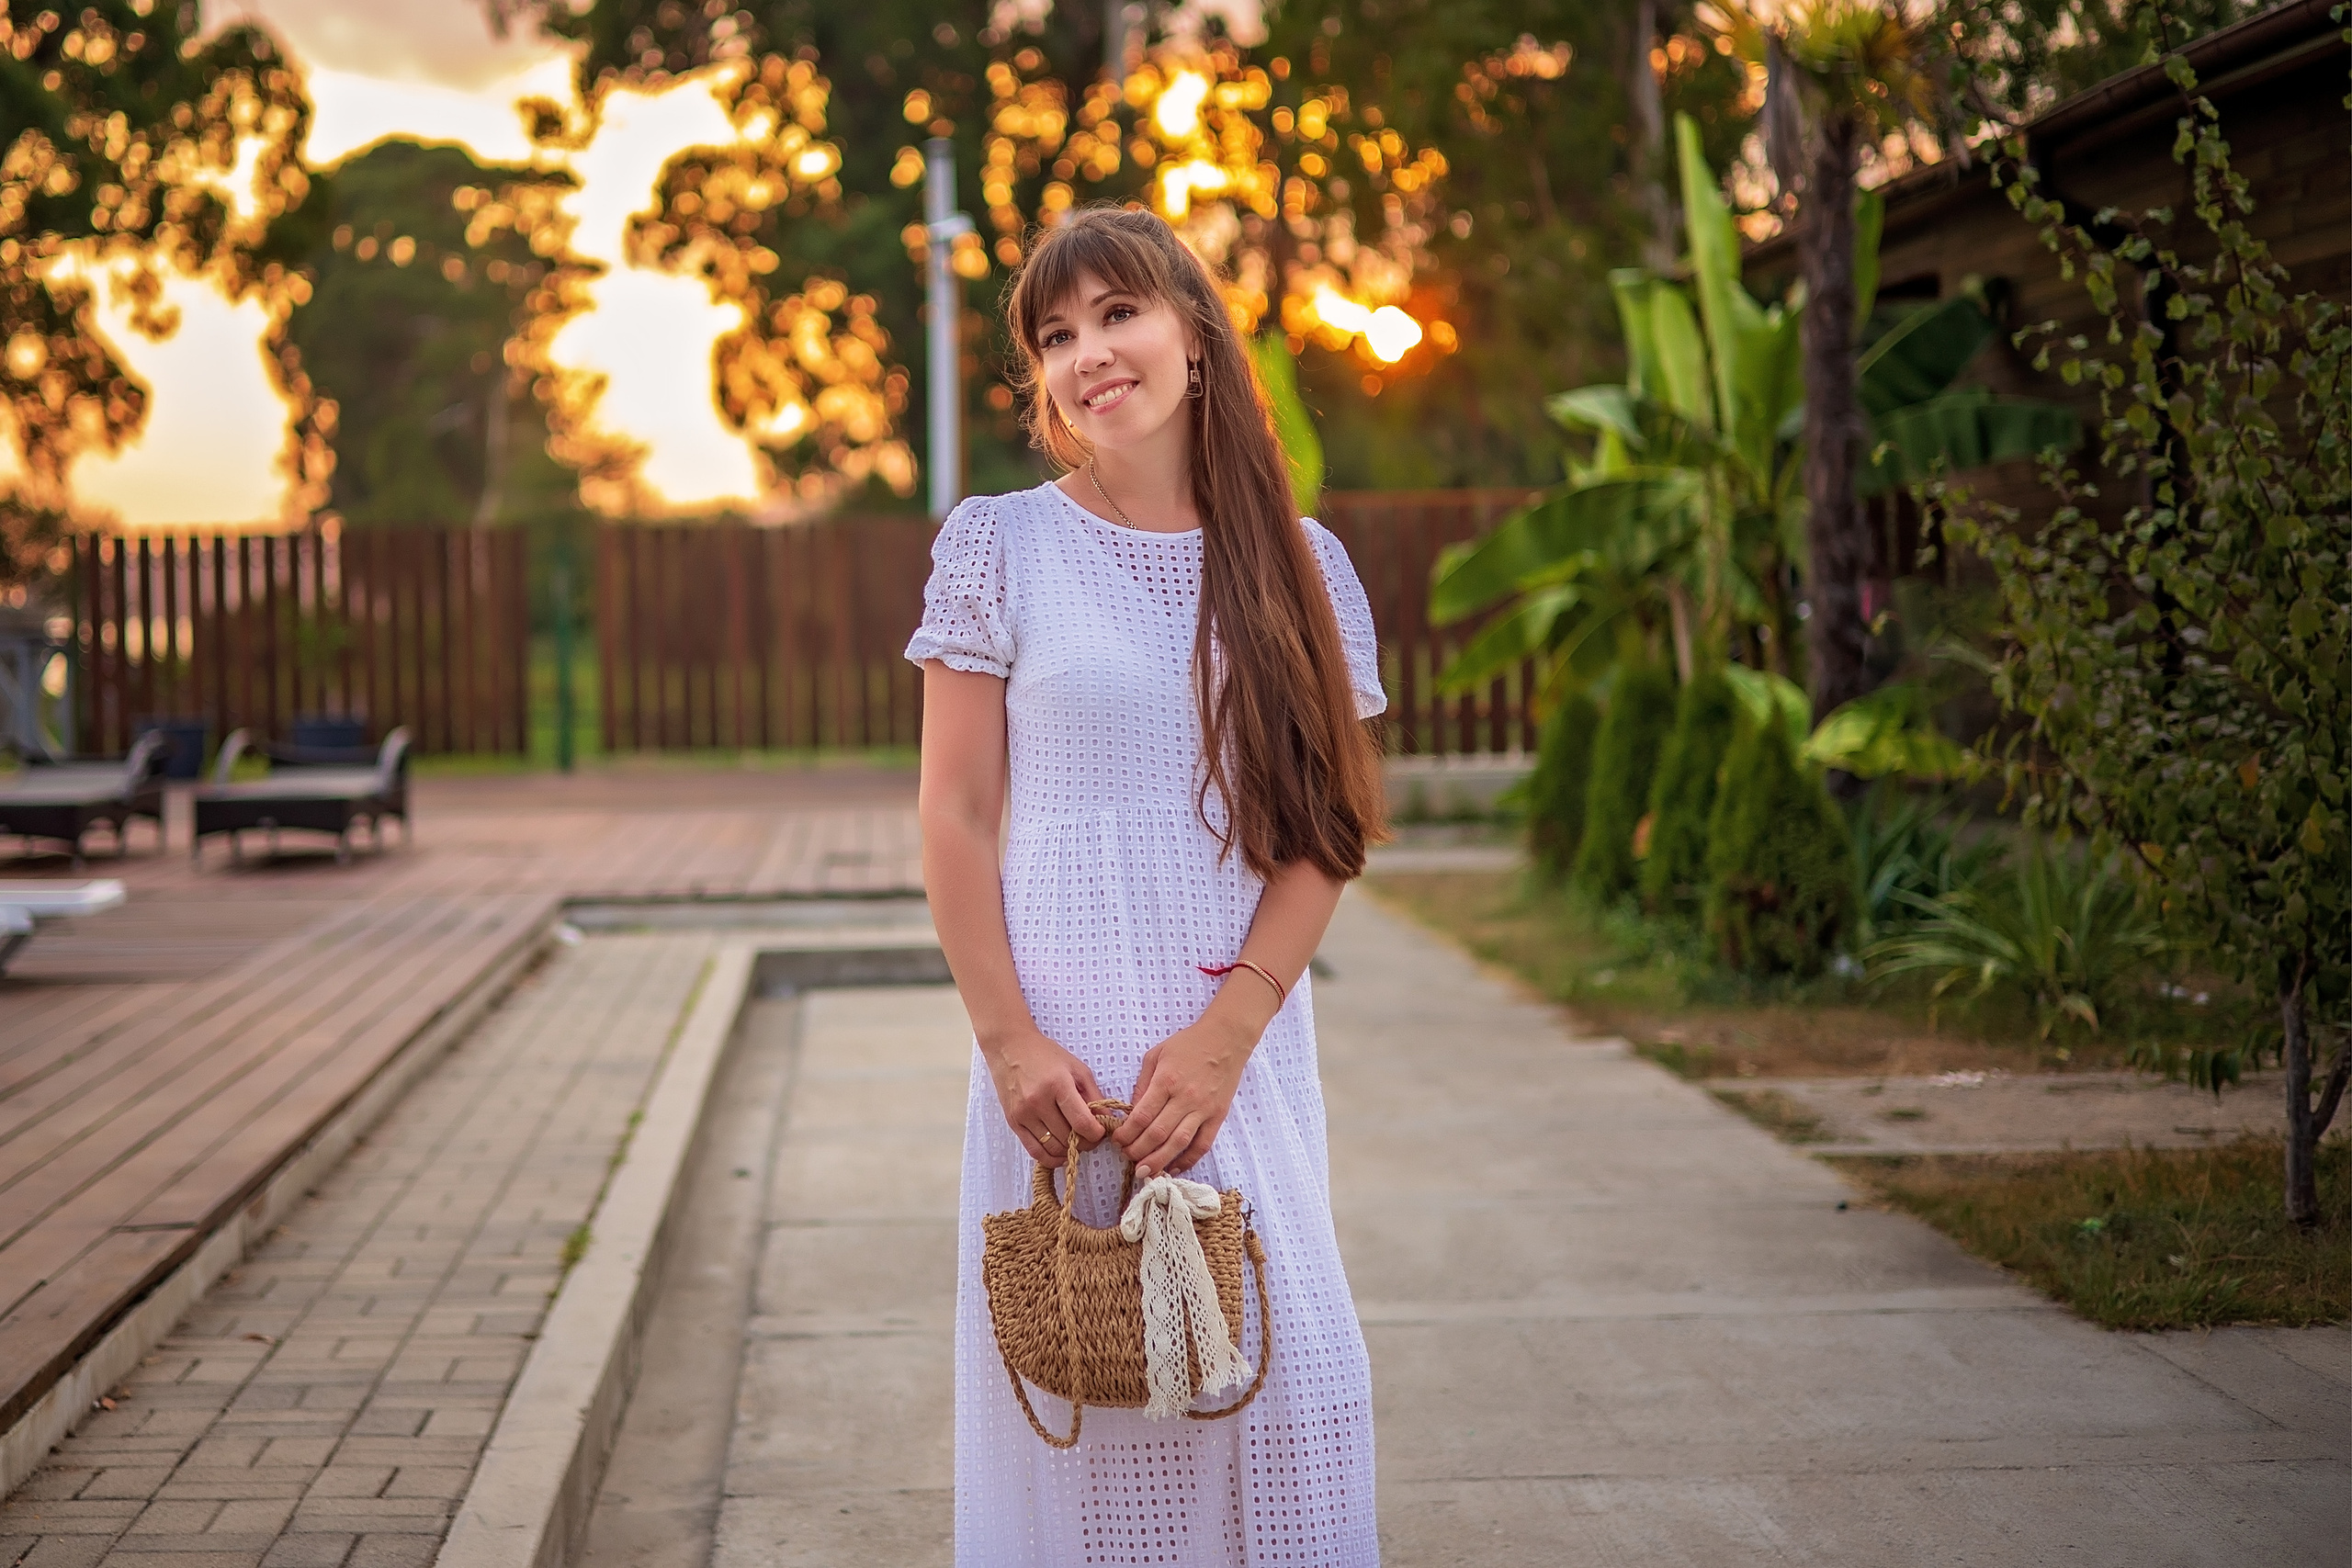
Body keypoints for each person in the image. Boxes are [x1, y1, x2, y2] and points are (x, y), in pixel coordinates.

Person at [908, 206, 1387, 1567]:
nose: (1087, 354)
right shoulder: (999, 543)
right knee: (1103, 1411)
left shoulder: (1303, 563)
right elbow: (955, 811)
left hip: (1235, 1050)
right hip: (1062, 1064)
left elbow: (1322, 832)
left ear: (1194, 337)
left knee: (1292, 1385)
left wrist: (1230, 1034)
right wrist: (1007, 1041)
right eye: (1055, 336)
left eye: (1118, 314)